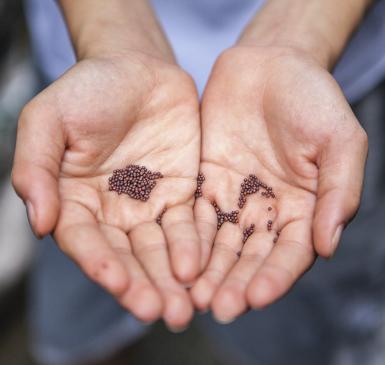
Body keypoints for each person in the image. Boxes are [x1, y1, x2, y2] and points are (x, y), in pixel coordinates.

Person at [12, 0, 385, 364]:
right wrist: (112, 30)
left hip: (309, 100)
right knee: (83, 302)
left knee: (287, 331)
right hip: (98, 98)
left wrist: (299, 36)